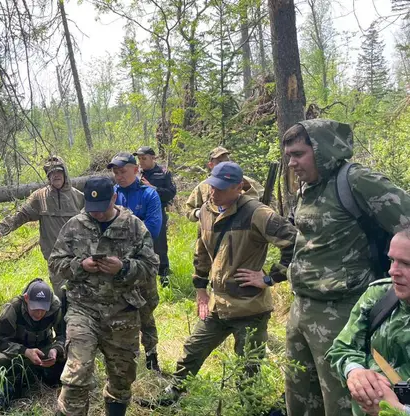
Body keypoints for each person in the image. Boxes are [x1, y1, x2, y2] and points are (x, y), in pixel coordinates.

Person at [281, 119, 410, 416]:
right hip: (301, 306)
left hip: (342, 310)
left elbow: (406, 223)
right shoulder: (308, 188)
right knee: (299, 398)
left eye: (299, 154)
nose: (292, 163)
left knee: (342, 401)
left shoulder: (355, 181)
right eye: (288, 155)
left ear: (323, 150)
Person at [165, 162, 297, 402]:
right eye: (213, 186)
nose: (215, 192)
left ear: (239, 188)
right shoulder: (206, 210)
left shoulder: (257, 212)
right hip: (218, 304)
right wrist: (200, 289)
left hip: (250, 307)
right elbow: (202, 252)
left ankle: (248, 406)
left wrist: (270, 278)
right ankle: (173, 394)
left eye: (222, 188)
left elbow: (296, 243)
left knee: (248, 366)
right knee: (193, 349)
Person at [49, 176, 159, 416]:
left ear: (114, 198)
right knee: (77, 372)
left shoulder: (134, 227)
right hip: (83, 309)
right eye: (91, 209)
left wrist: (124, 268)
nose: (96, 214)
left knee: (122, 378)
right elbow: (55, 263)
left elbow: (151, 267)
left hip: (123, 313)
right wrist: (80, 265)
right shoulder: (75, 225)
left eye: (102, 209)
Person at [326, 225, 410, 416]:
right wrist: (355, 372)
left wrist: (397, 411)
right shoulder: (380, 296)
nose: (393, 271)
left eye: (407, 264)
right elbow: (343, 347)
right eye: (392, 260)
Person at [0, 156, 84, 293]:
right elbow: (20, 215)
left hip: (78, 256)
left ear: (65, 174)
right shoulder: (40, 197)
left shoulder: (78, 197)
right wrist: (1, 231)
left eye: (58, 172)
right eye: (51, 173)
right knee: (62, 295)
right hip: (55, 259)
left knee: (82, 295)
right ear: (48, 177)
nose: (56, 176)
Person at [107, 152, 163, 373]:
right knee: (120, 310)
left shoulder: (149, 194)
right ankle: (125, 357)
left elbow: (153, 229)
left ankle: (151, 355)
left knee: (146, 310)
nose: (119, 176)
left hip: (142, 264)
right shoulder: (112, 194)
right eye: (115, 173)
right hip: (117, 266)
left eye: (123, 171)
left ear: (135, 170)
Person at [0, 279, 66, 399]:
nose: (39, 313)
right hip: (17, 353)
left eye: (43, 308)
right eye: (35, 308)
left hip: (43, 350)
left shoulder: (55, 306)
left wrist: (56, 349)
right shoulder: (13, 308)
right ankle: (20, 380)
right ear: (26, 298)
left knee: (71, 353)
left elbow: (64, 335)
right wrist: (25, 351)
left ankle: (40, 374)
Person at [133, 146, 177, 286]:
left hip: (158, 212)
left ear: (153, 158)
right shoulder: (137, 173)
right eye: (139, 159)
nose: (141, 162)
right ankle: (143, 276)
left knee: (159, 245)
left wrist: (153, 188)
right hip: (139, 213)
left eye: (144, 158)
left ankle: (164, 277)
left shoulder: (163, 173)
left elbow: (171, 192)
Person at [185, 146, 263, 222]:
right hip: (210, 232)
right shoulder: (203, 186)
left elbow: (267, 198)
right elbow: (189, 209)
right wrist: (199, 213)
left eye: (227, 161)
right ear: (210, 165)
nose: (224, 164)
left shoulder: (245, 182)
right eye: (220, 162)